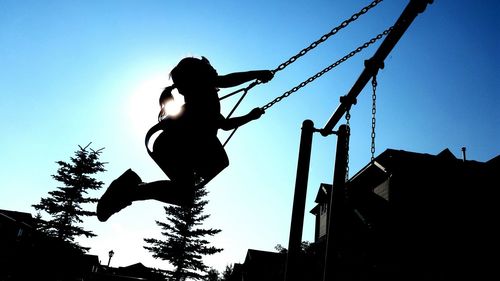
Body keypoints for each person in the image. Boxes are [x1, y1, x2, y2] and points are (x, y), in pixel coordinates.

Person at [96, 56, 273, 222]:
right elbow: (228, 81)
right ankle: (126, 191)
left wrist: (250, 116)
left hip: (179, 145)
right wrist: (257, 74)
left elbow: (225, 124)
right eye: (210, 69)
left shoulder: (205, 105)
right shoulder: (200, 102)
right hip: (173, 145)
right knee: (187, 192)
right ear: (198, 78)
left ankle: (128, 190)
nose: (215, 72)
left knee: (186, 195)